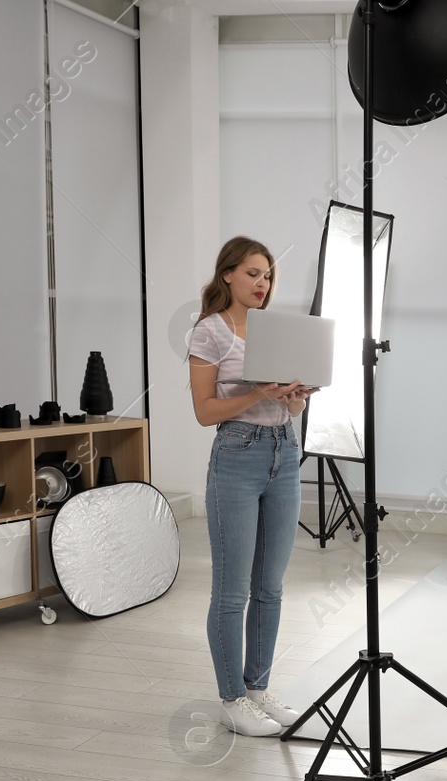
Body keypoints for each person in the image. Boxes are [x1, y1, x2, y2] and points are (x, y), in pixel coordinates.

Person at [188, 237, 316, 737]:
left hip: (284, 451)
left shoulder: (275, 331)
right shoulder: (210, 332)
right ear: (227, 276)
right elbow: (204, 413)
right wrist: (258, 392)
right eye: (253, 274)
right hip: (237, 457)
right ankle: (232, 699)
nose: (262, 284)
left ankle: (258, 690)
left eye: (267, 277)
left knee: (271, 586)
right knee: (232, 590)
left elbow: (289, 408)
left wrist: (296, 397)